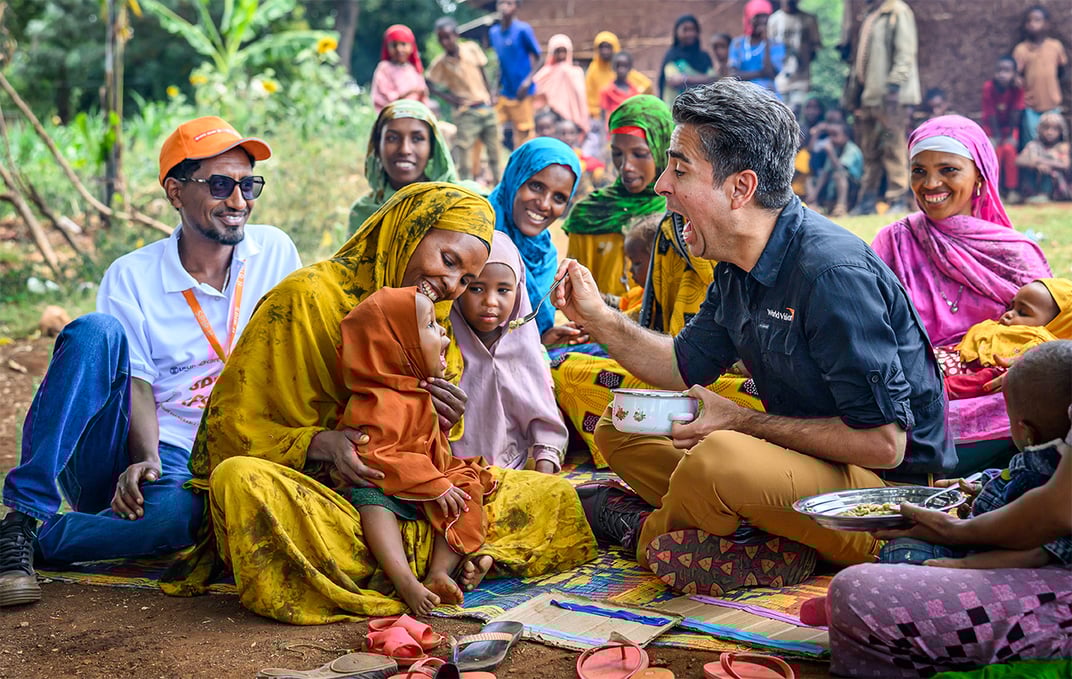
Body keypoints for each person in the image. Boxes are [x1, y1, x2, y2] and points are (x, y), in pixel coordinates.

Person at [556, 80, 954, 596]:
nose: (661, 186)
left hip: (882, 504)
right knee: (622, 425)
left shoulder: (831, 273)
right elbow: (681, 366)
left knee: (719, 457)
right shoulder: (737, 264)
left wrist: (742, 423)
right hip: (808, 469)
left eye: (680, 170)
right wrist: (598, 319)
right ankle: (757, 533)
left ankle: (645, 534)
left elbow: (884, 444)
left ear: (740, 188)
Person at [159, 183, 598, 623]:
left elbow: (435, 451)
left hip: (413, 496)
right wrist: (322, 443)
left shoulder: (435, 316)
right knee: (241, 480)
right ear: (409, 229)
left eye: (465, 280)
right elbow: (228, 432)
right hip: (323, 501)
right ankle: (454, 557)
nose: (449, 285)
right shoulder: (306, 299)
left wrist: (444, 420)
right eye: (448, 261)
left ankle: (424, 563)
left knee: (551, 494)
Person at [0, 116, 302, 607]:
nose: (239, 201)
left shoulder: (275, 252)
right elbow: (138, 383)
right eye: (221, 185)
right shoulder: (132, 275)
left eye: (249, 184)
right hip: (138, 449)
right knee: (95, 332)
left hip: (231, 444)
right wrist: (145, 459)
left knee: (180, 520)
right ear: (176, 192)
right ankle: (23, 515)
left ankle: (44, 539)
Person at [824, 347, 1072, 676]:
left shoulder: (1044, 471)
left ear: (1026, 431)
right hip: (992, 548)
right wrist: (971, 498)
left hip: (1018, 569)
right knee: (906, 547)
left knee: (855, 590)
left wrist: (959, 561)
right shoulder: (1036, 461)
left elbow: (1042, 541)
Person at [872, 115, 1052, 474]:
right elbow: (869, 326)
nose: (931, 183)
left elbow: (1051, 335)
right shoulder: (894, 240)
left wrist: (1021, 369)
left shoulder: (1016, 253)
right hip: (914, 388)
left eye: (949, 170)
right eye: (919, 171)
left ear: (980, 176)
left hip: (993, 391)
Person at [337, 287, 495, 615]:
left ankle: (438, 571)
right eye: (430, 326)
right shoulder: (376, 401)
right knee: (371, 500)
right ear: (395, 345)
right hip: (390, 488)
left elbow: (428, 445)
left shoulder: (422, 391)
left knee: (468, 488)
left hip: (428, 485)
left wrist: (444, 464)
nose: (445, 337)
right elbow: (378, 456)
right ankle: (404, 579)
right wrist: (433, 484)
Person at [451, 235, 568, 473]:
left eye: (503, 289)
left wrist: (542, 477)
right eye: (475, 288)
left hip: (514, 468)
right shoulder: (443, 344)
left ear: (519, 292)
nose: (490, 301)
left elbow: (545, 425)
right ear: (458, 288)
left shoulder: (526, 349)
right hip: (450, 472)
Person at [563, 95, 673, 300]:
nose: (626, 167)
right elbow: (574, 294)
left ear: (662, 151)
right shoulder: (588, 215)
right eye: (617, 154)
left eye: (639, 154)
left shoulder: (679, 215)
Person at [488, 137, 583, 344]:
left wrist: (544, 340)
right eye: (536, 186)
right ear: (515, 176)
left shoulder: (544, 255)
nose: (544, 204)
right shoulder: (479, 235)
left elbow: (528, 332)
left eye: (559, 198)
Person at [843, 0, 920, 215]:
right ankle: (867, 200)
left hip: (890, 96)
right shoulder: (872, 14)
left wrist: (894, 87)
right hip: (871, 96)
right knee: (870, 150)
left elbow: (905, 54)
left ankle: (897, 199)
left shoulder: (897, 11)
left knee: (893, 146)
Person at [940, 278, 1072, 400]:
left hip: (938, 382)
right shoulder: (996, 331)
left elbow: (986, 380)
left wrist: (939, 388)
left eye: (1023, 313)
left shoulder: (1032, 353)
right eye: (1011, 307)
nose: (1008, 314)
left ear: (1057, 326)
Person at [349, 100, 458, 228]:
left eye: (417, 139)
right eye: (392, 138)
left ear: (433, 148)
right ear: (377, 146)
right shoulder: (363, 213)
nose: (404, 150)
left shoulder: (459, 204)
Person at [426, 17, 502, 184]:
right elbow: (428, 83)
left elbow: (482, 72)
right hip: (466, 112)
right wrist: (451, 99)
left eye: (448, 37)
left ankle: (500, 189)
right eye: (441, 39)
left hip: (485, 107)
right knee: (465, 157)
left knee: (495, 153)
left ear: (456, 35)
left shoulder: (471, 49)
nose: (445, 42)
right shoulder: (441, 63)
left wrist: (491, 95)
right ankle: (466, 191)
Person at [582, 31, 653, 161]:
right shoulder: (595, 74)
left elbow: (646, 87)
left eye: (608, 47)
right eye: (601, 47)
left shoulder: (633, 86)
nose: (604, 51)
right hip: (603, 123)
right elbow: (596, 105)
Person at [489, 0, 541, 148]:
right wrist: (494, 89)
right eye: (501, 3)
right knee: (491, 125)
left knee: (524, 133)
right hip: (505, 92)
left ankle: (524, 166)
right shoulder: (494, 33)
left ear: (517, 8)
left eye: (509, 3)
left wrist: (527, 81)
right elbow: (500, 63)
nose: (504, 7)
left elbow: (538, 57)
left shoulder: (523, 30)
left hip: (523, 92)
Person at [1013, 5, 1067, 145]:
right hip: (1031, 105)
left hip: (1052, 104)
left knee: (1054, 142)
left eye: (1037, 20)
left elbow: (1062, 71)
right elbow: (1015, 73)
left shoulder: (1055, 46)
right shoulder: (1021, 49)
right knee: (1032, 141)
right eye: (1029, 21)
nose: (1032, 24)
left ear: (1047, 24)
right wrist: (1017, 79)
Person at [981, 55, 1025, 202]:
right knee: (996, 152)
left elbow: (1016, 112)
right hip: (992, 129)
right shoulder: (989, 87)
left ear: (1014, 73)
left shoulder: (1017, 89)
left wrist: (1011, 135)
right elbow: (991, 113)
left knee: (1009, 150)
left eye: (1007, 70)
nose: (1002, 74)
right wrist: (997, 137)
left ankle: (1012, 190)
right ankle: (995, 190)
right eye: (999, 70)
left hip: (1009, 129)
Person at [533, 34, 588, 142]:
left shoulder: (575, 72)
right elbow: (536, 92)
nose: (561, 55)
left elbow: (581, 98)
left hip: (572, 118)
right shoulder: (546, 73)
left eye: (564, 51)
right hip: (552, 117)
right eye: (558, 51)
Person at [767, 0, 822, 109]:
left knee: (797, 110)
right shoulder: (774, 20)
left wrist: (802, 61)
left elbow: (815, 47)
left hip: (801, 78)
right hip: (780, 79)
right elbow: (770, 48)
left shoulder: (809, 20)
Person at [804, 120, 863, 217]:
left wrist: (831, 153)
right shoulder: (836, 149)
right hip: (834, 185)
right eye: (830, 135)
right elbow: (825, 173)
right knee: (810, 180)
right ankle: (814, 205)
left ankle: (841, 207)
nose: (831, 139)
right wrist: (814, 194)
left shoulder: (851, 149)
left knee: (838, 175)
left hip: (852, 187)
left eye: (835, 135)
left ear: (846, 136)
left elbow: (841, 169)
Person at [658, 15, 714, 107]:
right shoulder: (672, 55)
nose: (689, 34)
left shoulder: (704, 56)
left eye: (693, 30)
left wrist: (685, 79)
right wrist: (702, 79)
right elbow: (674, 80)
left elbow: (713, 79)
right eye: (685, 30)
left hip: (700, 108)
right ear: (677, 32)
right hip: (675, 109)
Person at [370, 24, 429, 112]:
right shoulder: (384, 68)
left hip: (416, 113)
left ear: (411, 47)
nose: (399, 49)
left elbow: (423, 96)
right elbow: (385, 96)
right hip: (392, 114)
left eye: (403, 44)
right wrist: (408, 92)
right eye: (394, 45)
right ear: (387, 47)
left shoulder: (414, 69)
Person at [1017, 112, 1071, 203]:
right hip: (1034, 183)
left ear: (1061, 131)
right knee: (1031, 165)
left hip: (1056, 186)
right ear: (1039, 129)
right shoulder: (1033, 145)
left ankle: (1044, 194)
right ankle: (1030, 195)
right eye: (1046, 128)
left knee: (1049, 169)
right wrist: (1035, 164)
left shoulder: (1062, 147)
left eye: (1055, 129)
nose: (1049, 132)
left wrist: (1041, 161)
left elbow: (1065, 165)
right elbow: (1018, 160)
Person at [729, 13, 786, 96]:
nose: (761, 25)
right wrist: (760, 73)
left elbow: (770, 73)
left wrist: (766, 41)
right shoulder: (737, 43)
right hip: (742, 94)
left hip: (768, 94)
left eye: (765, 23)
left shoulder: (776, 45)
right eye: (757, 19)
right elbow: (733, 75)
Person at [599, 52, 642, 123]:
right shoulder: (607, 91)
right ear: (614, 67)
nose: (621, 69)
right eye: (618, 66)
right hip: (613, 129)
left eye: (625, 66)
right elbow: (603, 117)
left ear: (630, 68)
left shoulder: (635, 92)